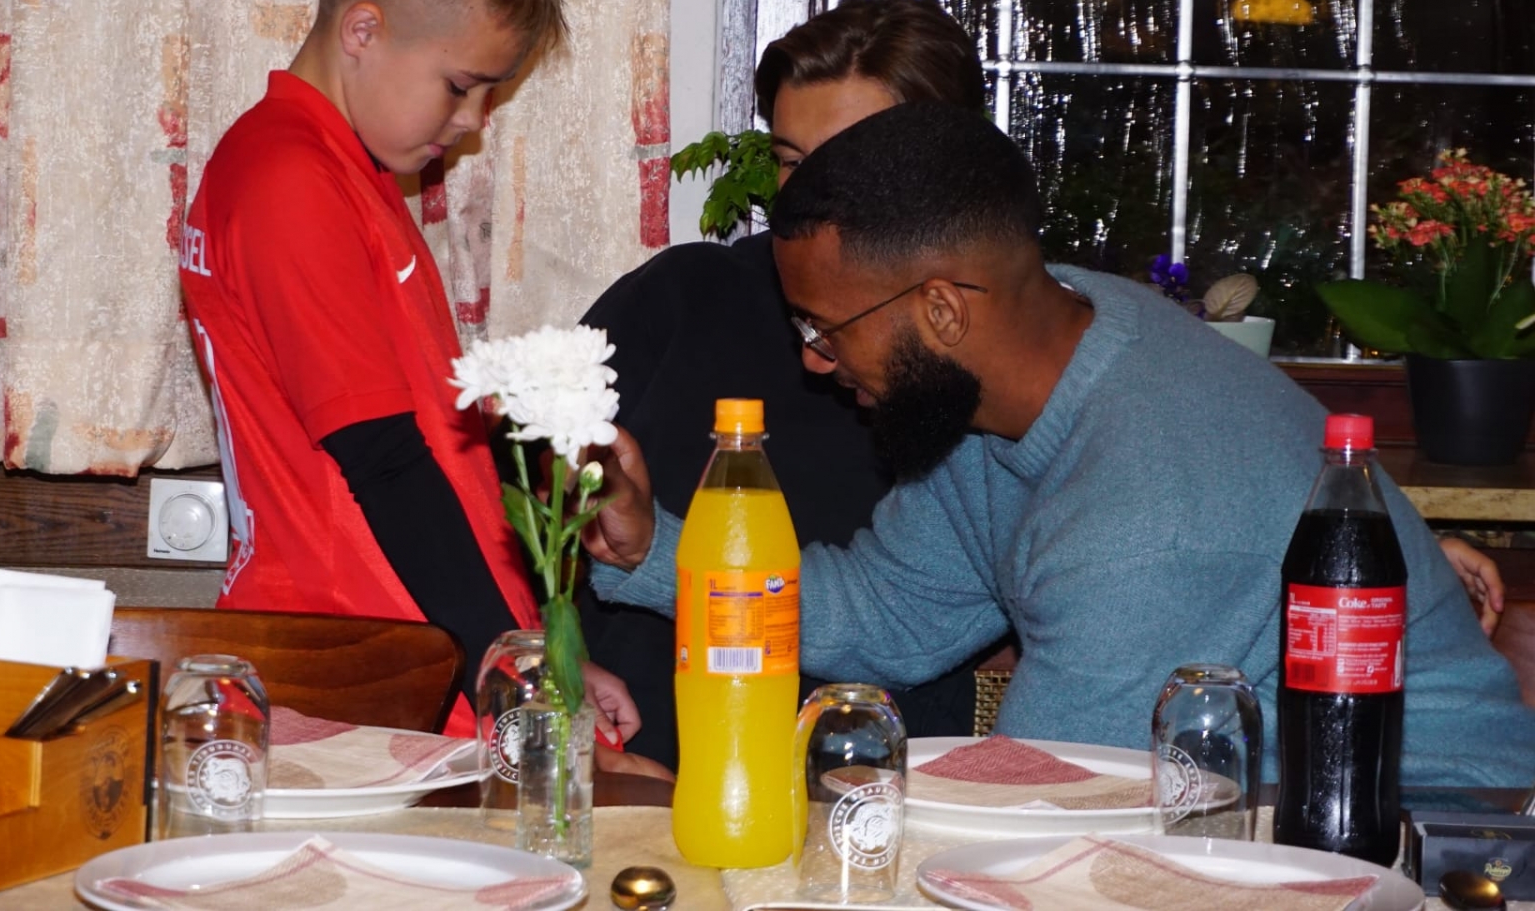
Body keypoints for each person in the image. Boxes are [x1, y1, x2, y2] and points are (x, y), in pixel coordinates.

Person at [583, 102, 1535, 784]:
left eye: (825, 328)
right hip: (1241, 819)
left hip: (1424, 839)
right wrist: (649, 548)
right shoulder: (1017, 363)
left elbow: (1035, 800)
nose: (814, 360)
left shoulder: (1149, 508)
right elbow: (890, 614)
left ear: (942, 310)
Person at [179, 0, 640, 744]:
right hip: (365, 674)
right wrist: (519, 684)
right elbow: (385, 463)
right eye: (462, 85)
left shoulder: (346, 171)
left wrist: (544, 653)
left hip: (406, 658)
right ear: (363, 30)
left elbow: (436, 438)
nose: (473, 120)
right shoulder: (289, 178)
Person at [577, 0, 989, 767]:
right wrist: (560, 682)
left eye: (846, 166)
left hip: (874, 788)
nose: (805, 197)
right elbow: (519, 518)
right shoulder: (680, 298)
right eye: (793, 161)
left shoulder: (980, 358)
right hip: (642, 771)